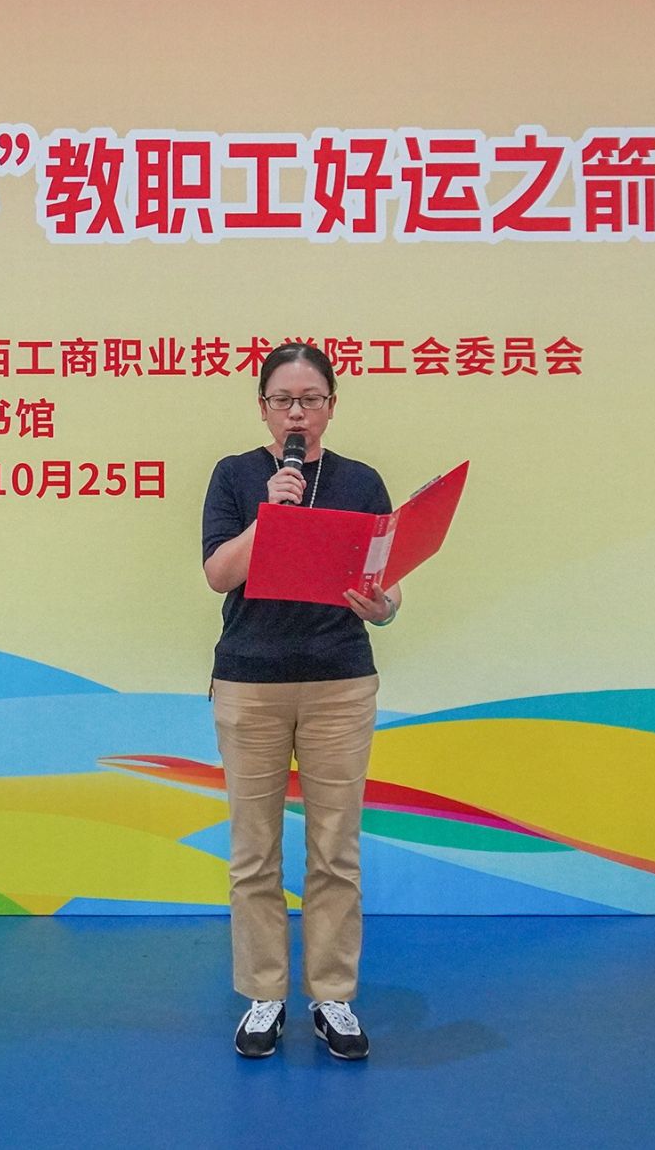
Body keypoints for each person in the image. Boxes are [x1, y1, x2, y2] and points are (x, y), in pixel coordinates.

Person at [199, 341, 399, 1062]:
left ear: (331, 406)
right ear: (263, 407)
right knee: (254, 851)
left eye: (310, 399)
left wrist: (383, 606)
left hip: (338, 682)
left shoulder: (361, 482)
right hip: (250, 684)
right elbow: (218, 573)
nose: (296, 413)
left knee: (334, 848)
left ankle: (333, 995)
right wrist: (267, 518)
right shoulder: (235, 475)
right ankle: (264, 994)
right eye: (283, 400)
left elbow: (388, 585)